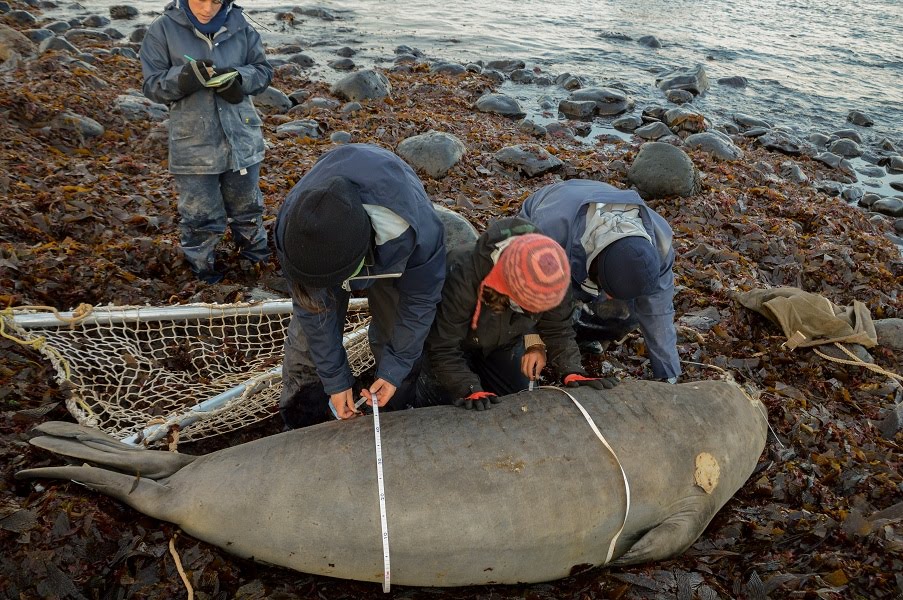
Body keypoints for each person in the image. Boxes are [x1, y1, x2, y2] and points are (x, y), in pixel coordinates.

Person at [275, 144, 446, 427]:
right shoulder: (292, 231)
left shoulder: (418, 234)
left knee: (397, 333)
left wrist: (394, 370)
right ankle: (299, 419)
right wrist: (335, 380)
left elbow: (419, 303)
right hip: (324, 246)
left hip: (392, 246)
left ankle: (395, 407)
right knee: (307, 345)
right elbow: (313, 311)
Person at [421, 217, 616, 411]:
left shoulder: (553, 270)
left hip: (504, 341)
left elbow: (558, 328)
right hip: (452, 344)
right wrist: (466, 387)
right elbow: (442, 345)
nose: (534, 314)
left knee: (521, 400)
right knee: (442, 402)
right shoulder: (463, 273)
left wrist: (571, 370)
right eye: (526, 307)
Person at [140, 0, 273, 283]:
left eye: (216, 1)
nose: (208, 8)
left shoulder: (241, 26)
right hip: (193, 145)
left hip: (242, 141)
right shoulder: (162, 30)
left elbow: (262, 70)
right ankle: (205, 276)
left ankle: (256, 267)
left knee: (248, 210)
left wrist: (240, 78)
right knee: (200, 218)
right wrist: (184, 78)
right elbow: (152, 84)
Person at [518, 180, 681, 383]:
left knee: (627, 314)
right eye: (609, 292)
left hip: (597, 233)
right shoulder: (549, 234)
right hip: (556, 215)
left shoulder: (660, 244)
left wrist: (668, 374)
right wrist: (534, 342)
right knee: (551, 305)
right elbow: (522, 290)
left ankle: (585, 335)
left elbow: (658, 311)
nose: (610, 298)